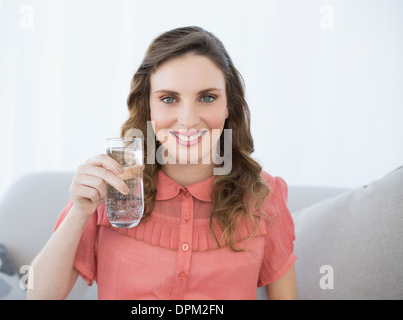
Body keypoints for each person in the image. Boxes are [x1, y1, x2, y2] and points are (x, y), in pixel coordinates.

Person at [27, 26, 297, 300]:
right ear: (149, 107)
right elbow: (38, 297)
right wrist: (80, 213)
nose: (188, 119)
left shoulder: (264, 194)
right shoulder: (112, 183)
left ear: (228, 106)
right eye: (169, 99)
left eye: (207, 98)